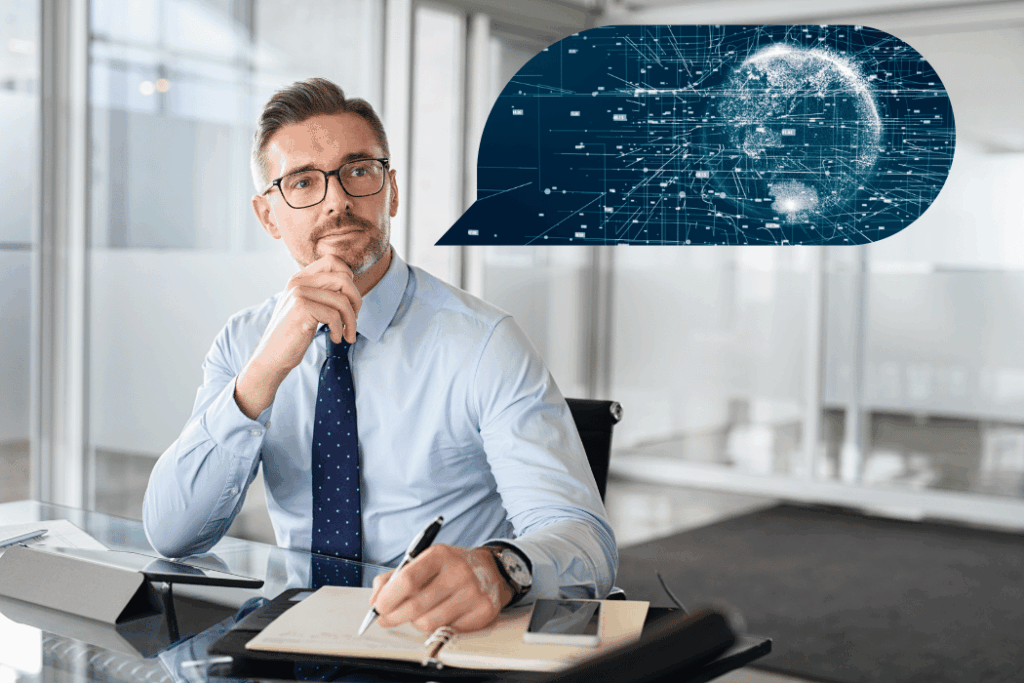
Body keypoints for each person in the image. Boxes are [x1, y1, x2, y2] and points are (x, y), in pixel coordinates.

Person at [142, 77, 616, 634]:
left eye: (358, 171)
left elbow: (584, 538)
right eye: (301, 182)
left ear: (390, 190)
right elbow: (173, 533)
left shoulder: (483, 343)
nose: (338, 200)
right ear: (268, 215)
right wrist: (264, 373)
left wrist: (499, 568)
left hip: (435, 646)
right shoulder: (245, 342)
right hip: (295, 637)